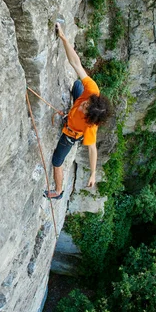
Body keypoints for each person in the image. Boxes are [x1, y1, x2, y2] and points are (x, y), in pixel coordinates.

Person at [44, 22, 112, 199]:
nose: (83, 105)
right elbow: (76, 63)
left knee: (56, 161)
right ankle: (71, 111)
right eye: (86, 103)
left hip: (70, 133)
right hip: (77, 107)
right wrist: (64, 38)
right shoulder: (92, 90)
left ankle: (58, 192)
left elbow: (92, 150)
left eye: (85, 109)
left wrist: (92, 173)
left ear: (90, 117)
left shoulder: (90, 126)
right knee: (77, 84)